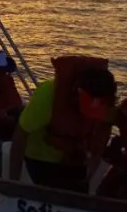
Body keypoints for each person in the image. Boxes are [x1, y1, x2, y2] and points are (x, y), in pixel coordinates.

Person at [7, 56, 116, 193]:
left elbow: (98, 148)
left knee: (79, 190)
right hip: (40, 158)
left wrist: (89, 176)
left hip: (75, 157)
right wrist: (12, 184)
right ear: (76, 94)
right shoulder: (47, 97)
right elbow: (20, 136)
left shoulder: (106, 105)